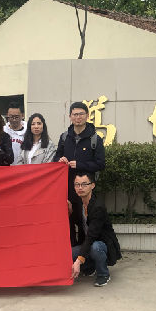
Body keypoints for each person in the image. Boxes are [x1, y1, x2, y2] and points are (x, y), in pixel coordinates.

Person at [53, 102, 106, 243]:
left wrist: (80, 165)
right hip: (67, 188)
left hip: (85, 189)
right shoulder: (64, 137)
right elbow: (56, 157)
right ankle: (70, 251)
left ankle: (85, 252)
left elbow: (100, 164)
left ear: (87, 116)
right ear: (70, 116)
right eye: (75, 114)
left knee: (85, 222)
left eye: (81, 114)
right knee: (68, 221)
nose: (78, 117)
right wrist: (60, 160)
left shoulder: (95, 139)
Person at [71, 172, 122, 287]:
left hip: (102, 244)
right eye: (77, 184)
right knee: (70, 253)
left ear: (92, 185)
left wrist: (78, 261)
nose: (80, 188)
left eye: (84, 184)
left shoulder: (98, 207)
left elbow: (92, 236)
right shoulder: (78, 204)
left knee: (95, 247)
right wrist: (69, 210)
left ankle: (103, 274)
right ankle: (90, 267)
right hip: (88, 243)